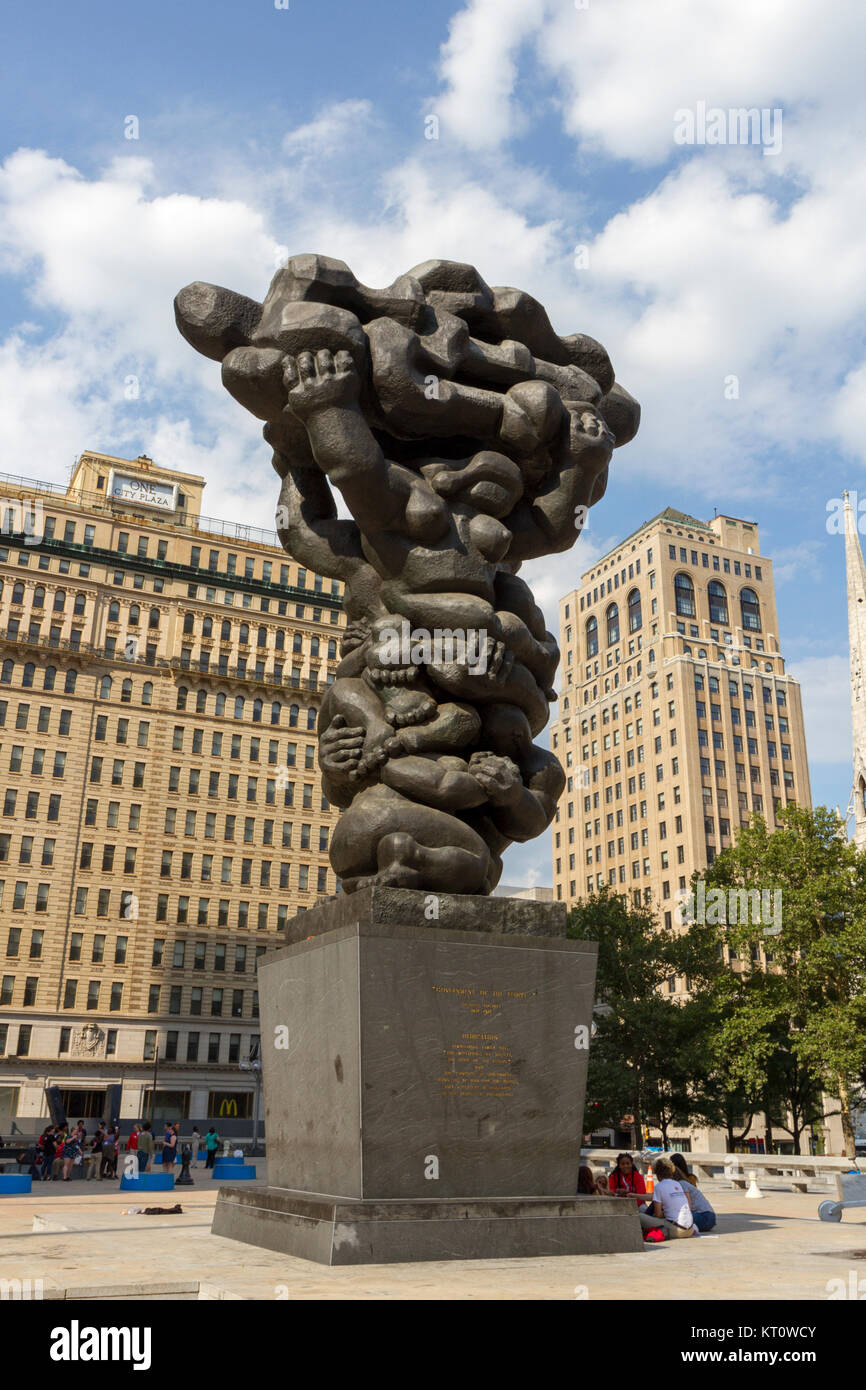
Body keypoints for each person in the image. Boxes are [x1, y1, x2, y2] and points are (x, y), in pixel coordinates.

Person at [639, 1158, 698, 1239]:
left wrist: (667, 1212)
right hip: (690, 1230)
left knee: (639, 1216)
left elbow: (658, 1214)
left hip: (677, 1230)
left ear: (657, 1173)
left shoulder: (659, 1187)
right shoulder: (677, 1184)